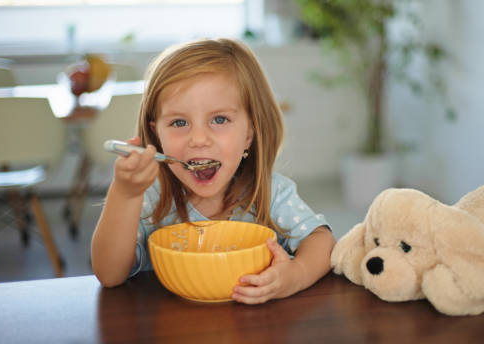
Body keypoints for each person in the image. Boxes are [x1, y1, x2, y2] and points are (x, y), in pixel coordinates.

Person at [91, 38, 335, 304]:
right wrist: (125, 194)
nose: (198, 139)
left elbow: (321, 241)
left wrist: (295, 275)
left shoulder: (271, 192)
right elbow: (109, 274)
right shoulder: (149, 197)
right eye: (179, 122)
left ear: (249, 134)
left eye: (219, 119)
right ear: (156, 134)